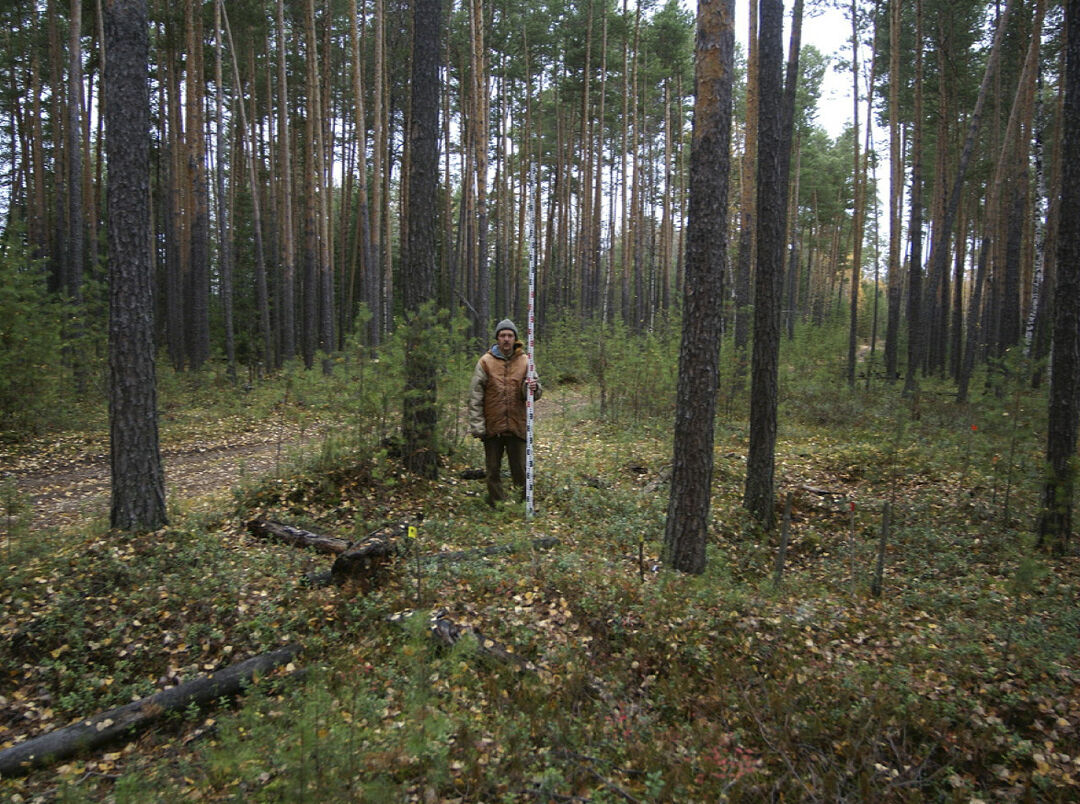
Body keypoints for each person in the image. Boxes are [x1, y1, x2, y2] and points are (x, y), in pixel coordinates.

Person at [468, 318, 541, 506]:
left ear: (515, 338)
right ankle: (497, 503)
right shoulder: (485, 362)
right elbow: (475, 396)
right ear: (497, 338)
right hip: (493, 425)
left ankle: (524, 502)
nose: (506, 339)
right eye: (502, 335)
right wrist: (477, 425)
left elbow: (536, 393)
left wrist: (533, 388)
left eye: (510, 335)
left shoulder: (526, 361)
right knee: (492, 469)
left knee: (521, 468)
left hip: (517, 423)